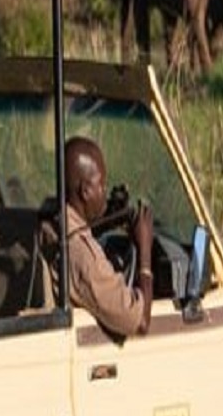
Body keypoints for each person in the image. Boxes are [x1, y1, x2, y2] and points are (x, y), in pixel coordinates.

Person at [40, 135, 154, 338]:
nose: (105, 192)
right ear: (85, 191)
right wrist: (145, 249)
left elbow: (78, 226)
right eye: (101, 185)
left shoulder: (49, 223)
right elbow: (140, 323)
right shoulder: (84, 257)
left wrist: (104, 217)